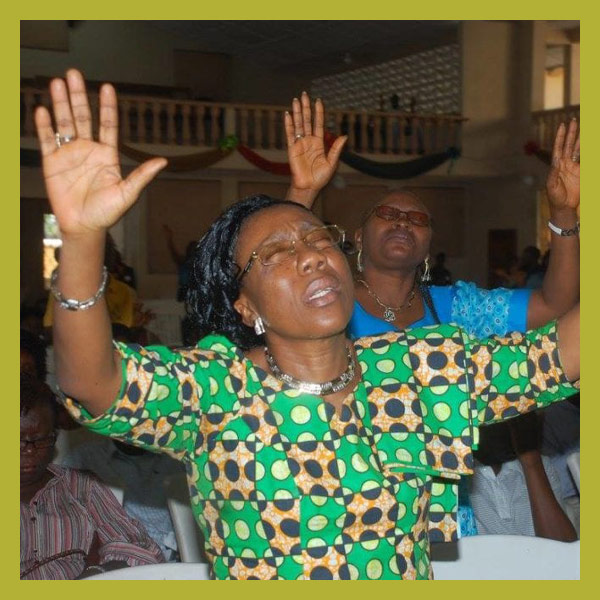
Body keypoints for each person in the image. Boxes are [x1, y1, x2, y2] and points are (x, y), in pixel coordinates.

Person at [35, 69, 579, 580]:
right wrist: (81, 241)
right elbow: (92, 383)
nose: (313, 256)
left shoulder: (419, 370)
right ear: (245, 307)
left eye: (322, 241)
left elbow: (563, 352)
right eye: (276, 254)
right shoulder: (220, 390)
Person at [284, 93, 580, 536]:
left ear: (427, 247)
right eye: (387, 214)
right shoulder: (327, 306)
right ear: (359, 238)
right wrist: (303, 192)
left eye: (417, 220)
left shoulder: (458, 308)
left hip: (445, 519)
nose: (403, 221)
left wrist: (561, 214)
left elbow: (553, 305)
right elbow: (277, 279)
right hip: (345, 503)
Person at [20, 374, 165, 579]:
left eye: (40, 440)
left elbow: (139, 547)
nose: (28, 450)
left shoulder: (81, 487)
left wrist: (97, 572)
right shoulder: (89, 456)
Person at [469, 412, 577, 541]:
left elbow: (563, 548)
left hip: (541, 560)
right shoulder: (454, 475)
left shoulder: (539, 465)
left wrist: (531, 462)